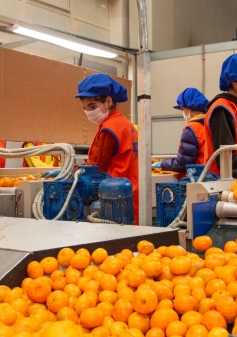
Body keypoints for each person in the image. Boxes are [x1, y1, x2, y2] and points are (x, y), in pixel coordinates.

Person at [75, 73, 139, 224]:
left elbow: (96, 167)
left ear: (109, 101)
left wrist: (71, 172)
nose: (89, 113)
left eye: (92, 107)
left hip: (114, 197)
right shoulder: (126, 124)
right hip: (132, 192)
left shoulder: (110, 128)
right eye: (85, 109)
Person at [152, 88, 209, 180]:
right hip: (209, 177)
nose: (183, 113)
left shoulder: (192, 128)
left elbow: (183, 164)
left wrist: (162, 164)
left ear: (188, 108)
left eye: (182, 109)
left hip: (195, 179)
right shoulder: (209, 125)